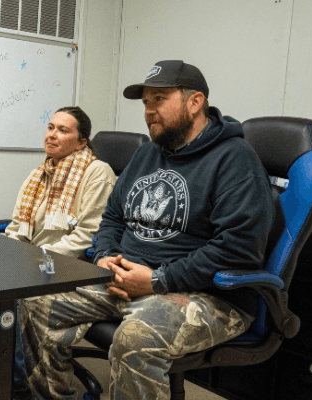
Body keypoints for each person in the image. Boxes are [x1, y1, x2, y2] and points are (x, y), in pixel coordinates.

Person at [21, 60, 274, 399]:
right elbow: (112, 216)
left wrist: (158, 280)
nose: (149, 111)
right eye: (145, 103)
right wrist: (106, 257)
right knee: (35, 301)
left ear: (195, 102)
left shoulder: (235, 159)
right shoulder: (148, 154)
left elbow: (238, 247)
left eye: (159, 100)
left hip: (206, 295)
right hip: (124, 281)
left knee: (135, 339)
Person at [0, 107, 117, 399]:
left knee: (22, 295)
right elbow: (19, 226)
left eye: (63, 130)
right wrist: (9, 254)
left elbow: (86, 237)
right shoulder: (39, 174)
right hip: (35, 259)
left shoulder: (97, 173)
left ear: (82, 141)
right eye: (50, 127)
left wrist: (34, 262)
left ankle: (20, 381)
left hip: (73, 265)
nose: (52, 135)